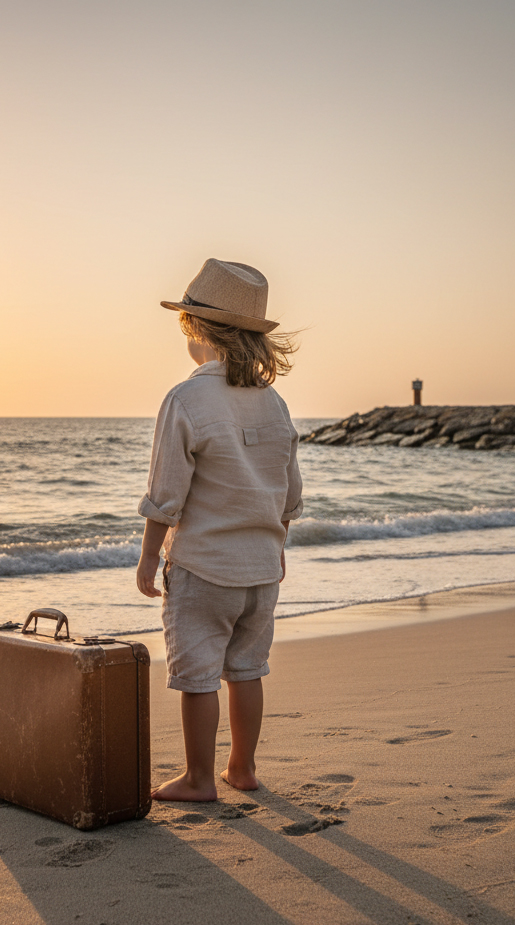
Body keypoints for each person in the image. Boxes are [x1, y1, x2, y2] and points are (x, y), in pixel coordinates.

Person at [136, 258, 303, 802]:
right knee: (248, 669)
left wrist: (147, 560)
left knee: (198, 676)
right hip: (261, 567)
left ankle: (199, 779)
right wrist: (275, 543)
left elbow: (166, 494)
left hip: (204, 566)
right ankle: (243, 768)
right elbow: (289, 491)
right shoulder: (274, 403)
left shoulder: (186, 399)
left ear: (196, 330)